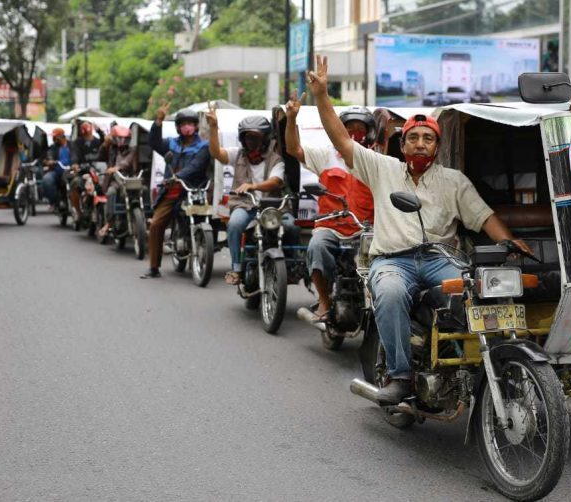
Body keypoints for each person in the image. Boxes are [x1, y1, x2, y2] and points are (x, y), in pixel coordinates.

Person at [307, 55, 531, 404]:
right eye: (414, 138)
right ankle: (400, 375)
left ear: (438, 147)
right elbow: (341, 140)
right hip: (393, 261)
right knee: (392, 294)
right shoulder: (383, 169)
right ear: (403, 144)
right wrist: (322, 96)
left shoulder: (453, 181)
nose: (421, 143)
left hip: (441, 258)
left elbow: (483, 216)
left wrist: (509, 240)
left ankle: (477, 362)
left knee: (476, 292)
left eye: (428, 138)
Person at [284, 96, 376, 325]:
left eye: (360, 128)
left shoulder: (376, 160)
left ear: (369, 132)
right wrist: (291, 118)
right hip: (331, 227)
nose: (354, 132)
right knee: (316, 248)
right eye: (349, 128)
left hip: (366, 229)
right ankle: (324, 300)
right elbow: (293, 148)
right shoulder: (325, 155)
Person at [206, 108, 285, 285]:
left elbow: (277, 181)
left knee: (291, 227)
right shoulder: (238, 154)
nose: (251, 141)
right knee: (234, 224)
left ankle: (290, 267)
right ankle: (236, 268)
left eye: (255, 137)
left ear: (265, 138)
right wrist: (213, 127)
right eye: (248, 137)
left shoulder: (275, 159)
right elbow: (216, 153)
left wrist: (253, 185)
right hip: (244, 205)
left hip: (270, 207)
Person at [142, 105, 211, 279]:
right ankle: (154, 267)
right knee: (156, 224)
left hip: (193, 191)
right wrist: (157, 122)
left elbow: (196, 167)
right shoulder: (171, 143)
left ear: (196, 126)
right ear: (178, 127)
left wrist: (179, 176)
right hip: (171, 192)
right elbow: (154, 143)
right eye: (183, 124)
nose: (187, 127)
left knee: (210, 218)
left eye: (191, 123)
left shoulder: (203, 146)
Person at [97, 125, 139, 238]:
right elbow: (100, 156)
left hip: (130, 179)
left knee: (143, 191)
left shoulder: (133, 149)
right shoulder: (111, 149)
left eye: (124, 138)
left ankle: (146, 220)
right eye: (119, 138)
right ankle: (108, 223)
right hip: (115, 180)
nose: (122, 141)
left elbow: (128, 161)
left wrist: (117, 167)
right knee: (111, 193)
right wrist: (105, 144)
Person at [67, 121, 107, 217]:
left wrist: (100, 132)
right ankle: (78, 212)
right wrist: (75, 164)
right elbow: (74, 155)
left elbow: (105, 146)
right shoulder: (77, 143)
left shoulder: (98, 142)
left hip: (98, 172)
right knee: (75, 183)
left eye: (88, 127)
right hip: (83, 171)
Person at [42, 128, 72, 210]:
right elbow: (49, 155)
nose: (53, 139)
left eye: (55, 137)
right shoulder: (53, 147)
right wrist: (50, 161)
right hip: (56, 171)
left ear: (61, 136)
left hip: (70, 171)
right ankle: (53, 202)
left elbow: (77, 155)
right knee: (47, 179)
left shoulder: (71, 145)